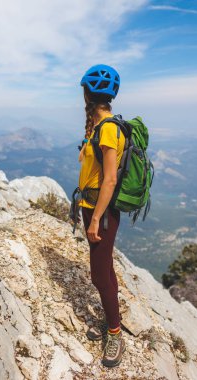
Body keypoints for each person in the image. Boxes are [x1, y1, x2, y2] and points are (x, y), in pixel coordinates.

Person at [77, 64, 126, 367]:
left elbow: (109, 179)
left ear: (88, 94)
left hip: (101, 211)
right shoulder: (98, 128)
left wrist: (96, 219)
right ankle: (113, 318)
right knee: (105, 267)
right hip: (92, 207)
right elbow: (91, 165)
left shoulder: (108, 129)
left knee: (98, 274)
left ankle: (115, 333)